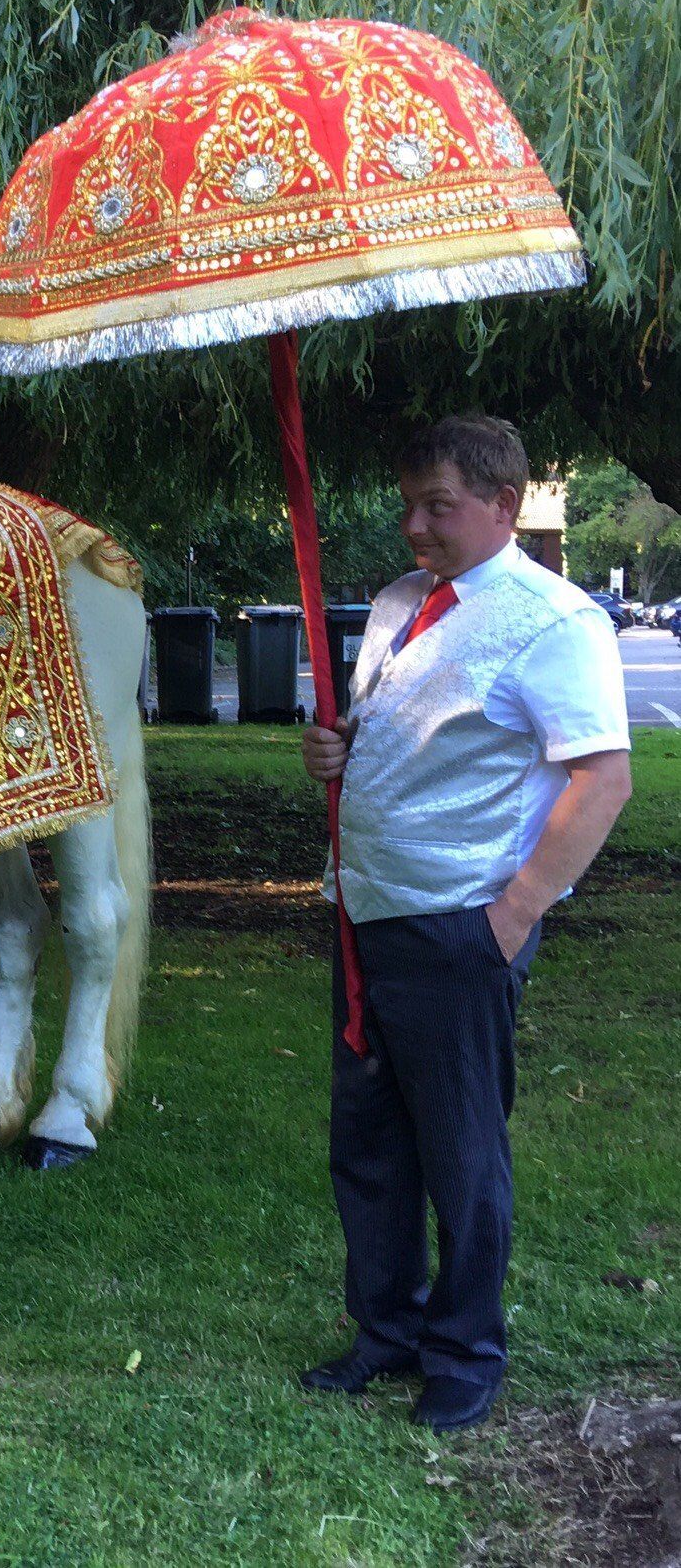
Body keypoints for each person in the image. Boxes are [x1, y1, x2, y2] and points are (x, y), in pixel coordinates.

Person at [298, 414, 632, 1432]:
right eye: (406, 503)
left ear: (502, 503)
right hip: (367, 912)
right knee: (367, 1142)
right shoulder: (400, 603)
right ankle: (384, 1333)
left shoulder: (552, 621)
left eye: (434, 505)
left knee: (459, 1151)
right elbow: (398, 731)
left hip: (457, 929)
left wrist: (513, 912)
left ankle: (462, 1351)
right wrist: (336, 752)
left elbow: (603, 776)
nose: (411, 526)